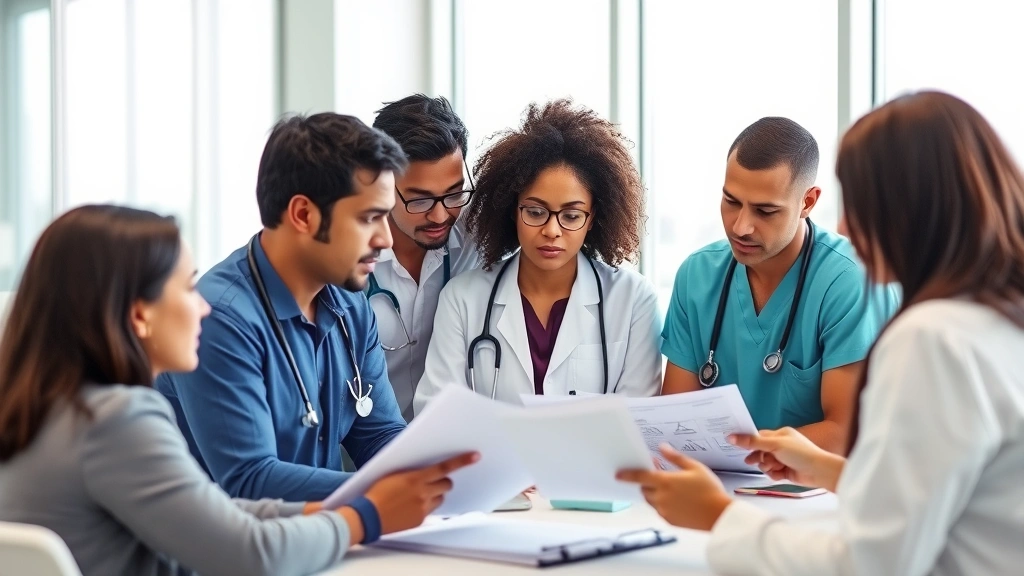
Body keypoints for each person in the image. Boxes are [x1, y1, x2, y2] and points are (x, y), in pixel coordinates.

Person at [618, 91, 1024, 575]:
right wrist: (826, 469)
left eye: (866, 206)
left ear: (920, 211)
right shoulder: (995, 317)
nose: (849, 224)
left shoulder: (932, 338)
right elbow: (942, 495)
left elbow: (871, 563)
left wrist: (720, 516)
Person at [0, 205, 478, 576]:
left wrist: (326, 506)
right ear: (140, 314)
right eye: (186, 289)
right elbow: (249, 553)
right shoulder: (117, 420)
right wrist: (367, 517)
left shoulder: (51, 411)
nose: (202, 308)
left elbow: (216, 514)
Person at [155, 113, 410, 501]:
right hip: (231, 554)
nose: (386, 239)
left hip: (320, 539)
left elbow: (378, 434)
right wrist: (390, 490)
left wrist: (441, 473)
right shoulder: (220, 318)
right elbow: (250, 481)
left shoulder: (351, 306)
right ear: (303, 215)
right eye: (369, 218)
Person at [660, 117, 899, 454]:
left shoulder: (849, 282)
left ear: (808, 202)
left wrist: (741, 452)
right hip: (716, 488)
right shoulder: (697, 275)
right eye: (731, 202)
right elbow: (675, 422)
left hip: (816, 497)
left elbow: (845, 433)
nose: (741, 227)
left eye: (765, 211)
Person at [413, 99, 662, 412]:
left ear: (593, 217)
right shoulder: (462, 299)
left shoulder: (634, 299)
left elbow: (638, 423)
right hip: (492, 463)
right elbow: (437, 415)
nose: (552, 231)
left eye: (571, 216)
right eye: (535, 211)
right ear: (512, 210)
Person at [370, 94, 481, 422]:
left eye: (454, 193)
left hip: (445, 442)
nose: (440, 216)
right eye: (419, 201)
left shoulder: (476, 232)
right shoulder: (349, 257)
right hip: (359, 454)